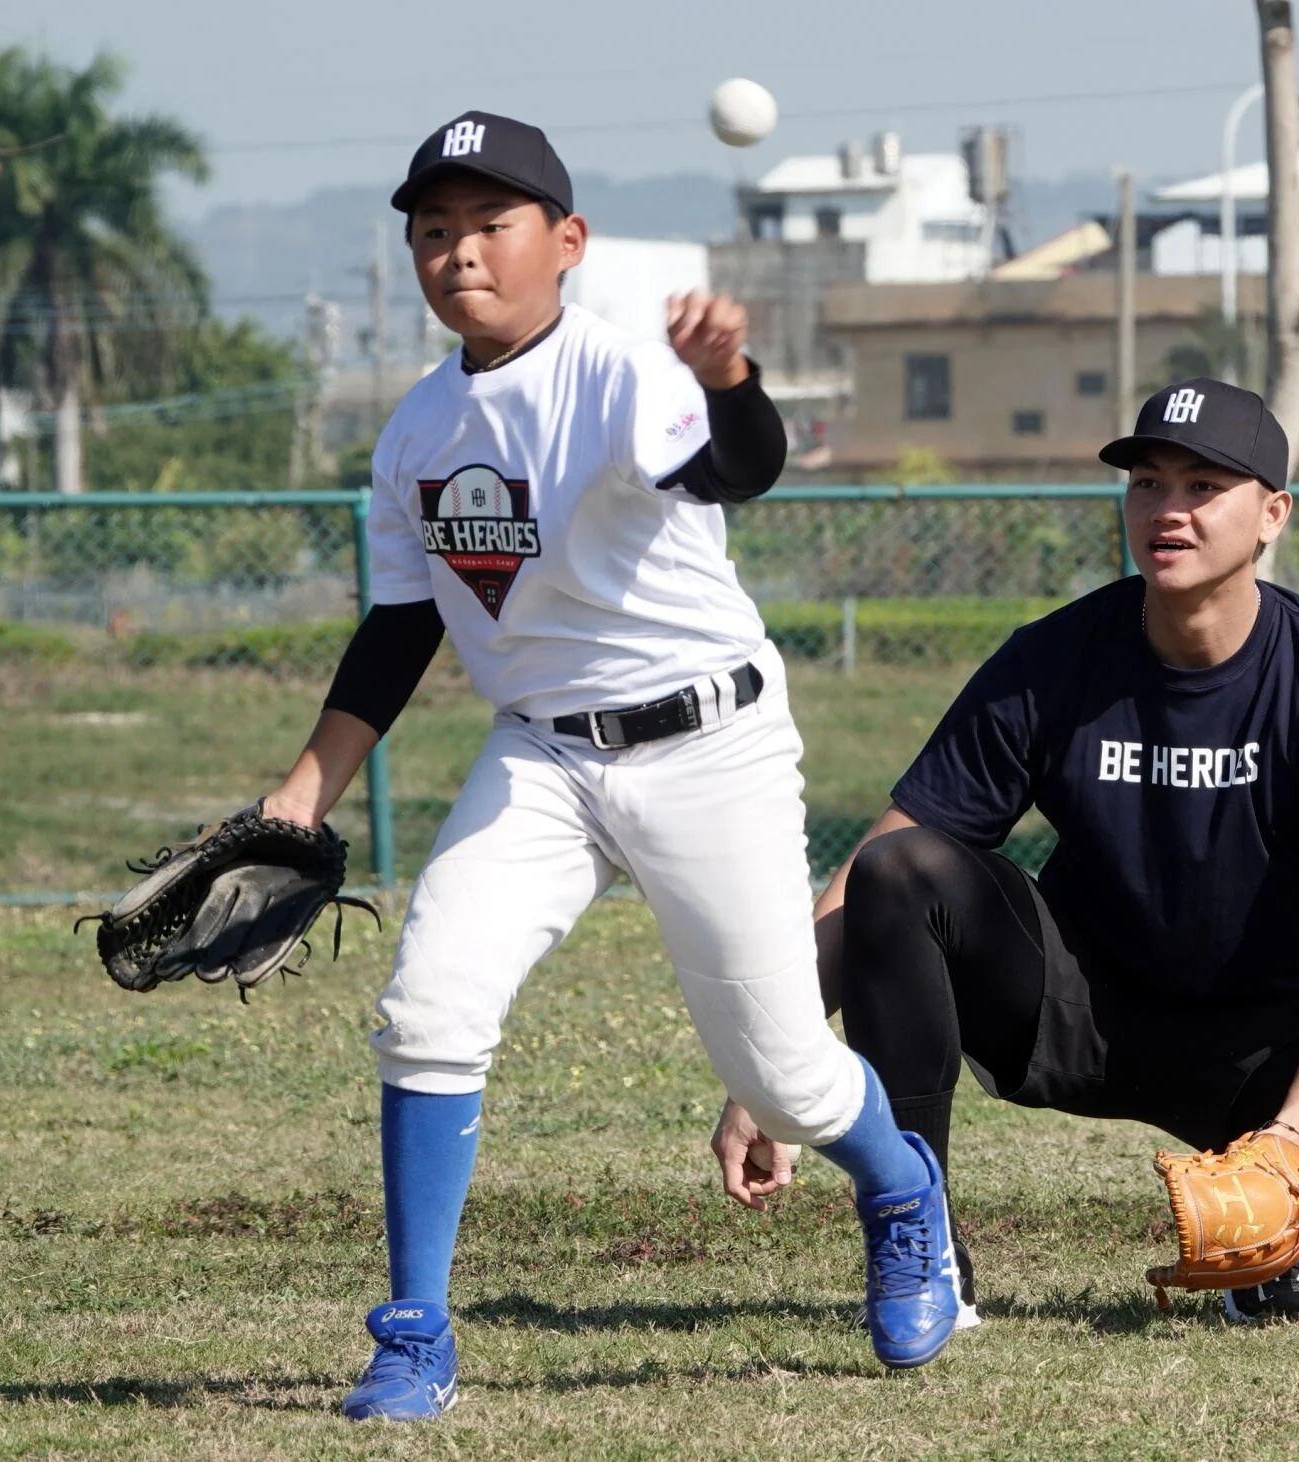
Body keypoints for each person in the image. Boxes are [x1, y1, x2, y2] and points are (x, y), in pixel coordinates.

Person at [263, 111, 960, 1422]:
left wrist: (734, 376)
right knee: (430, 1007)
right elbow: (403, 622)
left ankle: (898, 1180)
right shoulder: (415, 430)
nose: (457, 250)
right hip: (540, 753)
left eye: (490, 223)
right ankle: (416, 1332)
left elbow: (740, 469)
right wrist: (309, 784)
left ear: (566, 242)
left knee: (781, 1073)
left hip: (707, 742)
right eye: (433, 228)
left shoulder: (625, 373)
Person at [714, 378, 1299, 1325]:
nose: (1169, 510)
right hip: (1084, 1016)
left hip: (1265, 1046)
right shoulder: (1056, 658)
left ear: (1272, 514)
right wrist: (773, 1062)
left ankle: (1264, 1247)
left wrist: (1286, 1141)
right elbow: (883, 865)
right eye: (1148, 484)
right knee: (902, 870)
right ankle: (917, 1238)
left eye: (1205, 486)